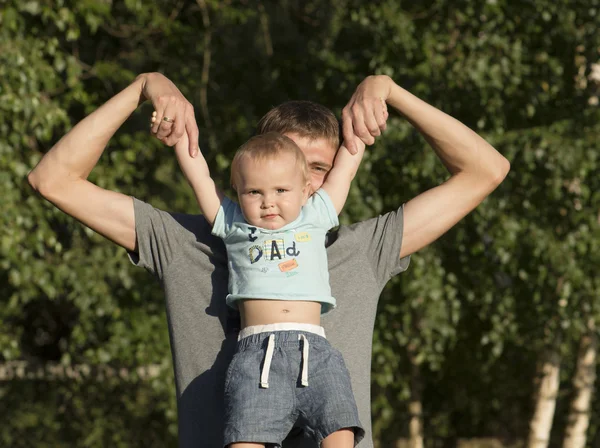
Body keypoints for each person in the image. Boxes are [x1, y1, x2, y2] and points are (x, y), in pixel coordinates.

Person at [27, 72, 510, 448]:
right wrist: (143, 87)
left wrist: (388, 91)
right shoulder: (183, 242)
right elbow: (53, 180)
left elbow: (486, 169)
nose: (296, 184)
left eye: (317, 168)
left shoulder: (365, 249)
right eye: (282, 167)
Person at [174, 128, 367, 447]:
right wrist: (181, 138)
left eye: (281, 190)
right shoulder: (234, 224)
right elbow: (200, 179)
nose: (268, 203)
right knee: (245, 439)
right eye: (254, 193)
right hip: (256, 355)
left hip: (315, 352)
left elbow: (344, 172)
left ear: (305, 191)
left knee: (341, 432)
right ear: (238, 192)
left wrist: (361, 128)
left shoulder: (315, 216)